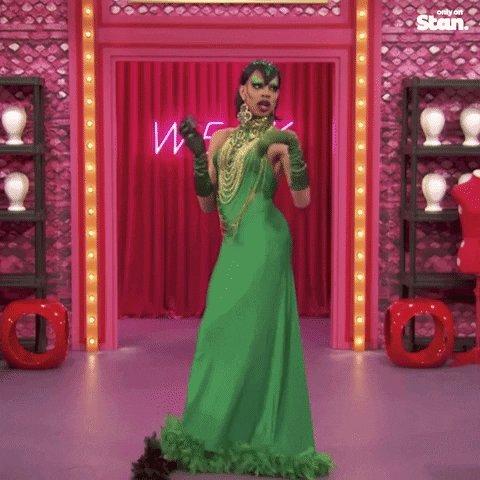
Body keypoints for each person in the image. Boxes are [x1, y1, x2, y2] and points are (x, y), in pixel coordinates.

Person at [132, 59, 334, 479]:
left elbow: (302, 201)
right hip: (233, 246)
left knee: (256, 339)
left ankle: (261, 433)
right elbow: (208, 204)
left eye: (273, 88)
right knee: (217, 334)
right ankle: (212, 431)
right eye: (258, 86)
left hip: (266, 244)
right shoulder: (221, 139)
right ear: (243, 91)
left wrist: (292, 149)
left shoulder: (280, 141)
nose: (266, 94)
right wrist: (196, 158)